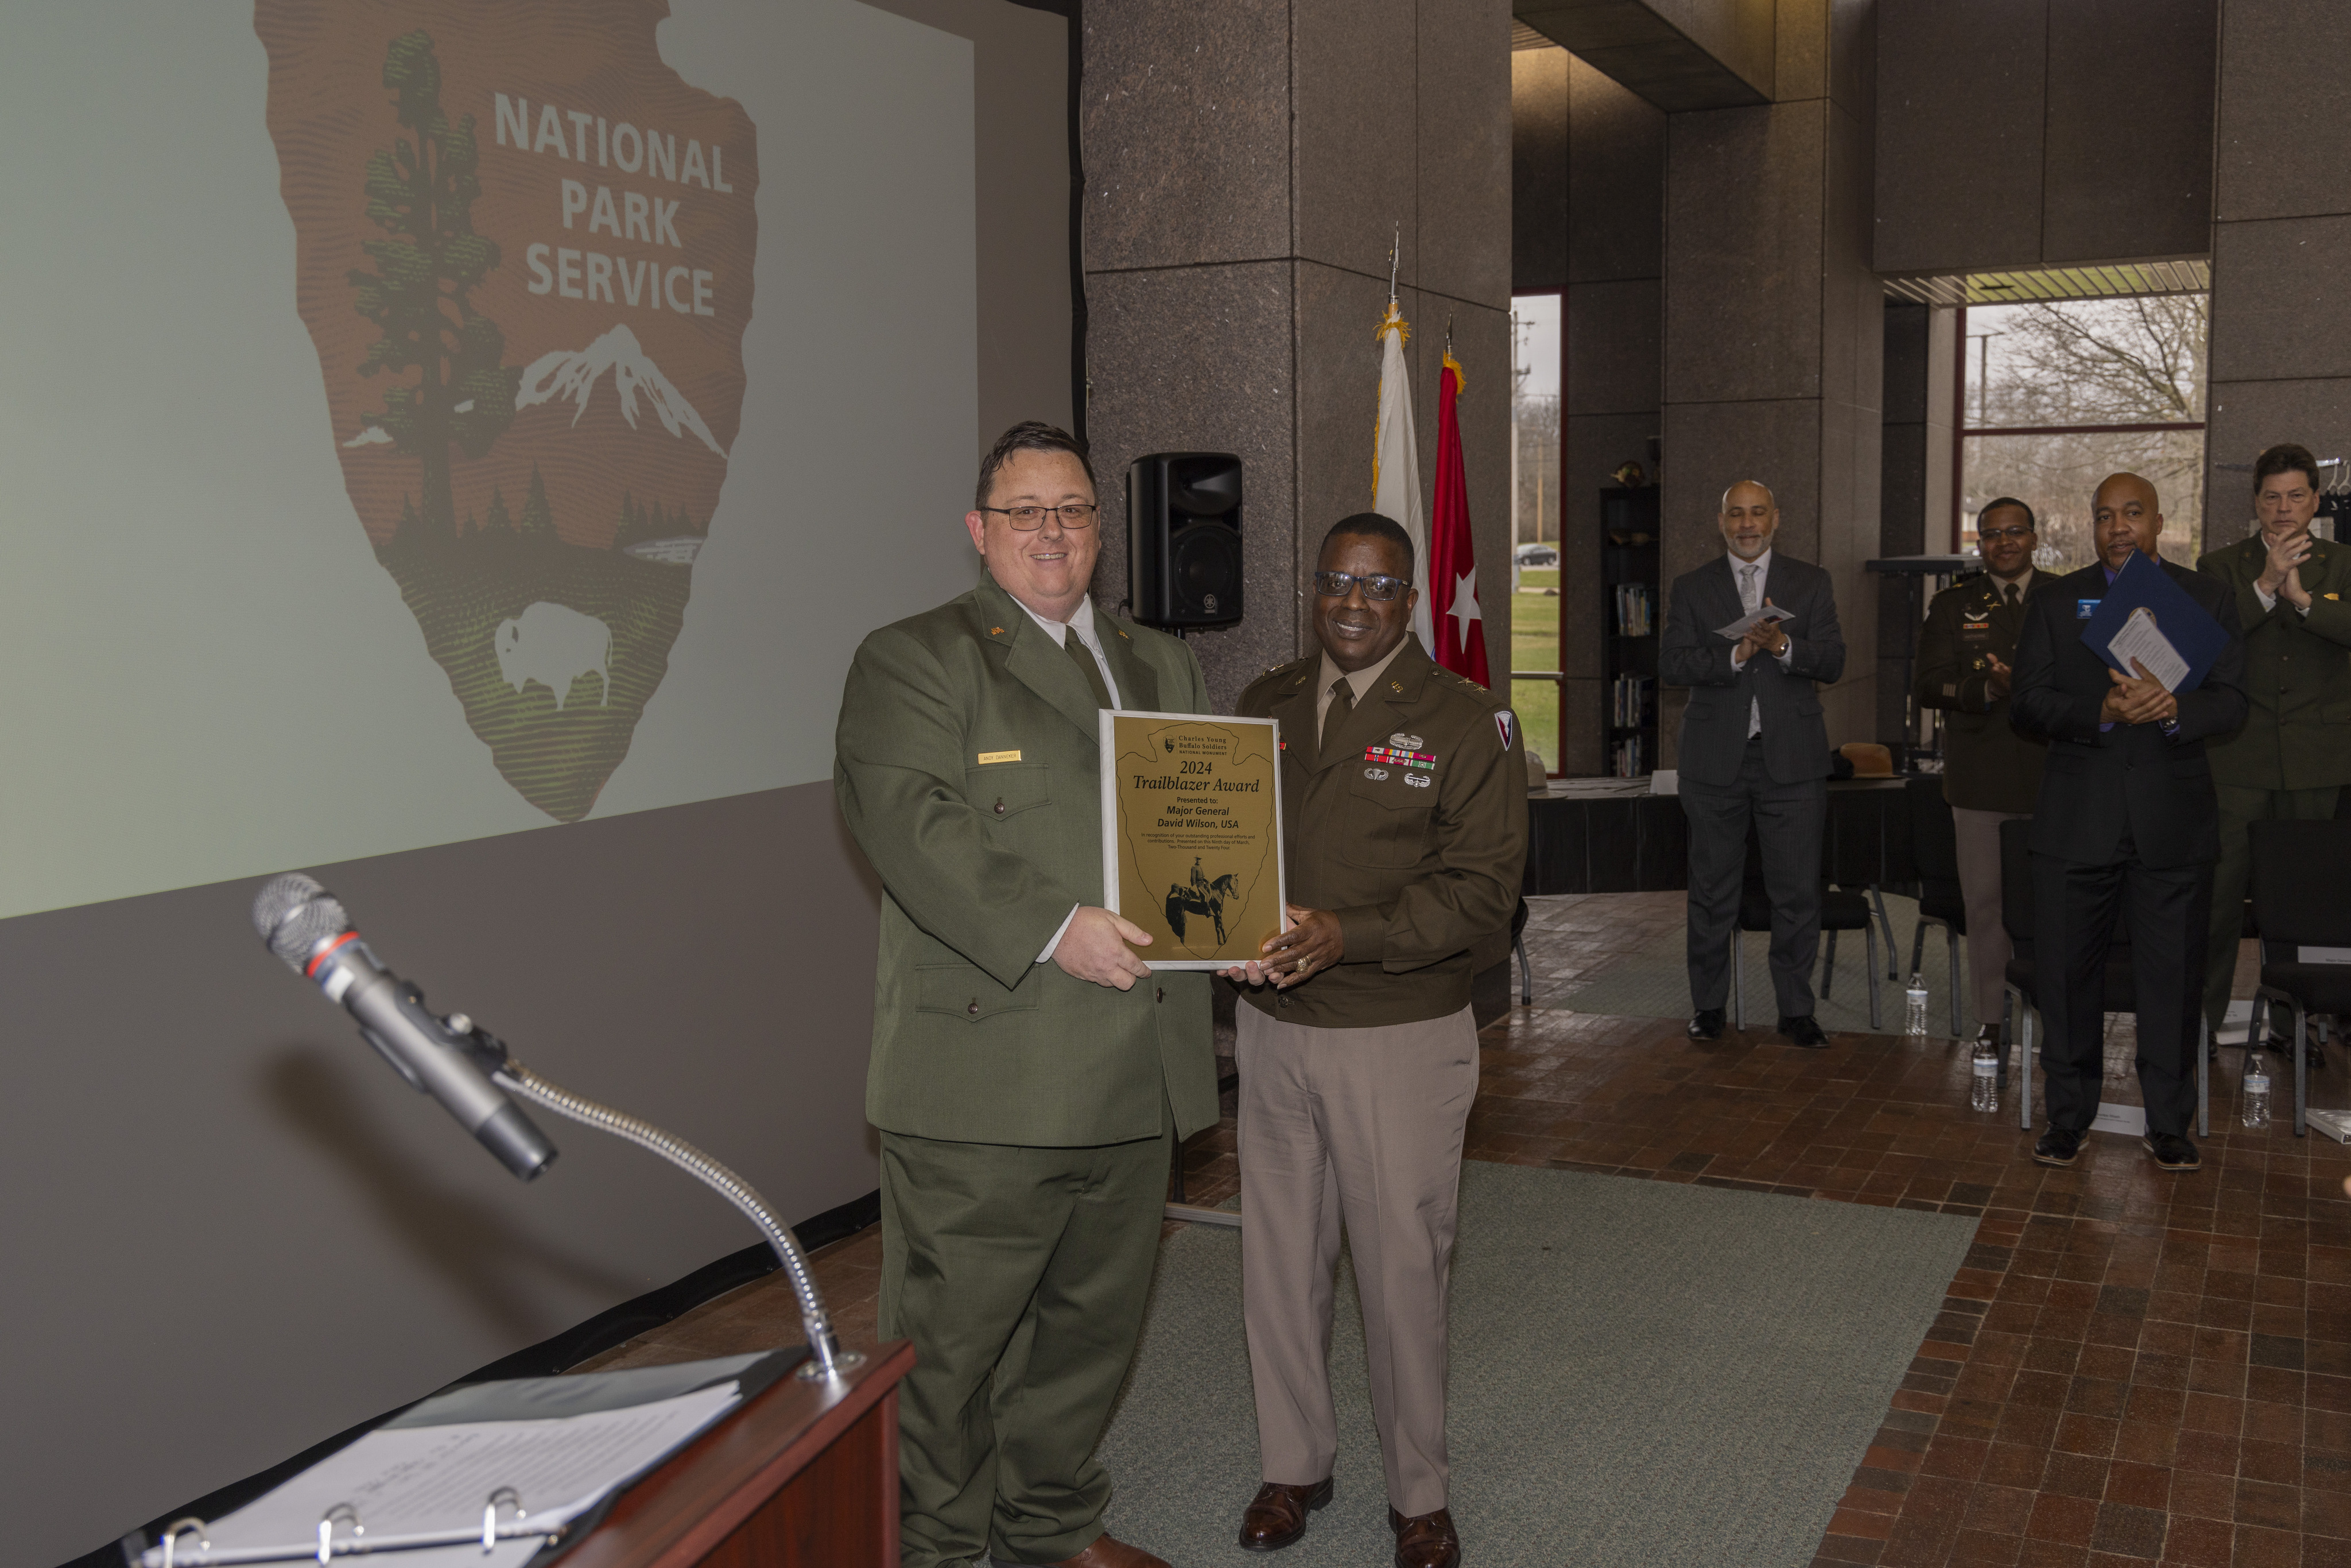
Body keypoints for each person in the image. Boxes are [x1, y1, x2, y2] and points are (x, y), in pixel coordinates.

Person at [833, 422, 1219, 1568]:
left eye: (1072, 509)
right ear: (978, 533)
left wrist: (1238, 921)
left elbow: (1193, 836)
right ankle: (943, 1552)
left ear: (1100, 529)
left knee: (1087, 1340)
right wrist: (1055, 929)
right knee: (952, 1354)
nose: (1051, 531)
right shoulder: (914, 658)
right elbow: (909, 824)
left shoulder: (1162, 664)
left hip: (1134, 1073)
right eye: (1024, 511)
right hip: (988, 1085)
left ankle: (1047, 1533)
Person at [1219, 514, 1526, 1568]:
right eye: (1335, 583)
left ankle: (1419, 1494)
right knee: (1279, 1261)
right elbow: (1226, 847)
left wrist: (1351, 935)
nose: (1353, 604)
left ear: (1412, 600)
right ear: (1313, 589)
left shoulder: (1464, 720)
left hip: (1397, 1035)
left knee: (1400, 1271)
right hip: (1270, 1031)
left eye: (1379, 586)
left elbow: (1486, 897)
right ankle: (1293, 1463)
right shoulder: (1263, 704)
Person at [2008, 472, 2248, 1174]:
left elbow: (2232, 702)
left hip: (2171, 820)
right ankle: (2067, 1117)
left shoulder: (2204, 598)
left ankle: (2169, 1123)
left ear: (2158, 522)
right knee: (2065, 976)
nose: (2118, 527)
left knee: (2172, 977)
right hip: (2076, 820)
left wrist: (2176, 709)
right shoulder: (2057, 601)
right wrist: (2101, 713)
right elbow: (2026, 704)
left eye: (2132, 513)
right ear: (2092, 526)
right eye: (2105, 515)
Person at [1661, 480, 1847, 1046]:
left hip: (1791, 763)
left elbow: (1834, 660)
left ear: (1775, 518)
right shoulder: (1692, 587)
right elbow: (1672, 663)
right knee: (1712, 892)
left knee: (1796, 892)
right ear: (1721, 522)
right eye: (1736, 514)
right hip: (1714, 762)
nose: (1747, 524)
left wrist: (1783, 647)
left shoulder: (1810, 581)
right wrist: (1737, 652)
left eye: (1757, 513)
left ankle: (1795, 1009)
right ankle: (1709, 1006)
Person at [2195, 443, 2351, 1069]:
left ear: (2315, 500)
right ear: (2254, 501)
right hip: (2237, 758)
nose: (2283, 509)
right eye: (2270, 496)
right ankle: (2200, 1023)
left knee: (2301, 903)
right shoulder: (2219, 564)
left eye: (2295, 496)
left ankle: (2296, 1025)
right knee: (2218, 899)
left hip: (2318, 760)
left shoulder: (2342, 564)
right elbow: (2204, 643)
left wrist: (2306, 600)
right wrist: (2264, 587)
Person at [1915, 498, 2047, 1043]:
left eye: (2015, 531)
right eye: (1993, 534)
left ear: (2034, 537)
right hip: (1980, 780)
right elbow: (1927, 685)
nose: (2005, 542)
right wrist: (1986, 688)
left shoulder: (2066, 595)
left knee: (2053, 906)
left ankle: (2053, 1010)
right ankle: (1992, 1018)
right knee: (1986, 903)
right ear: (1980, 544)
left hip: (2055, 777)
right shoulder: (1952, 605)